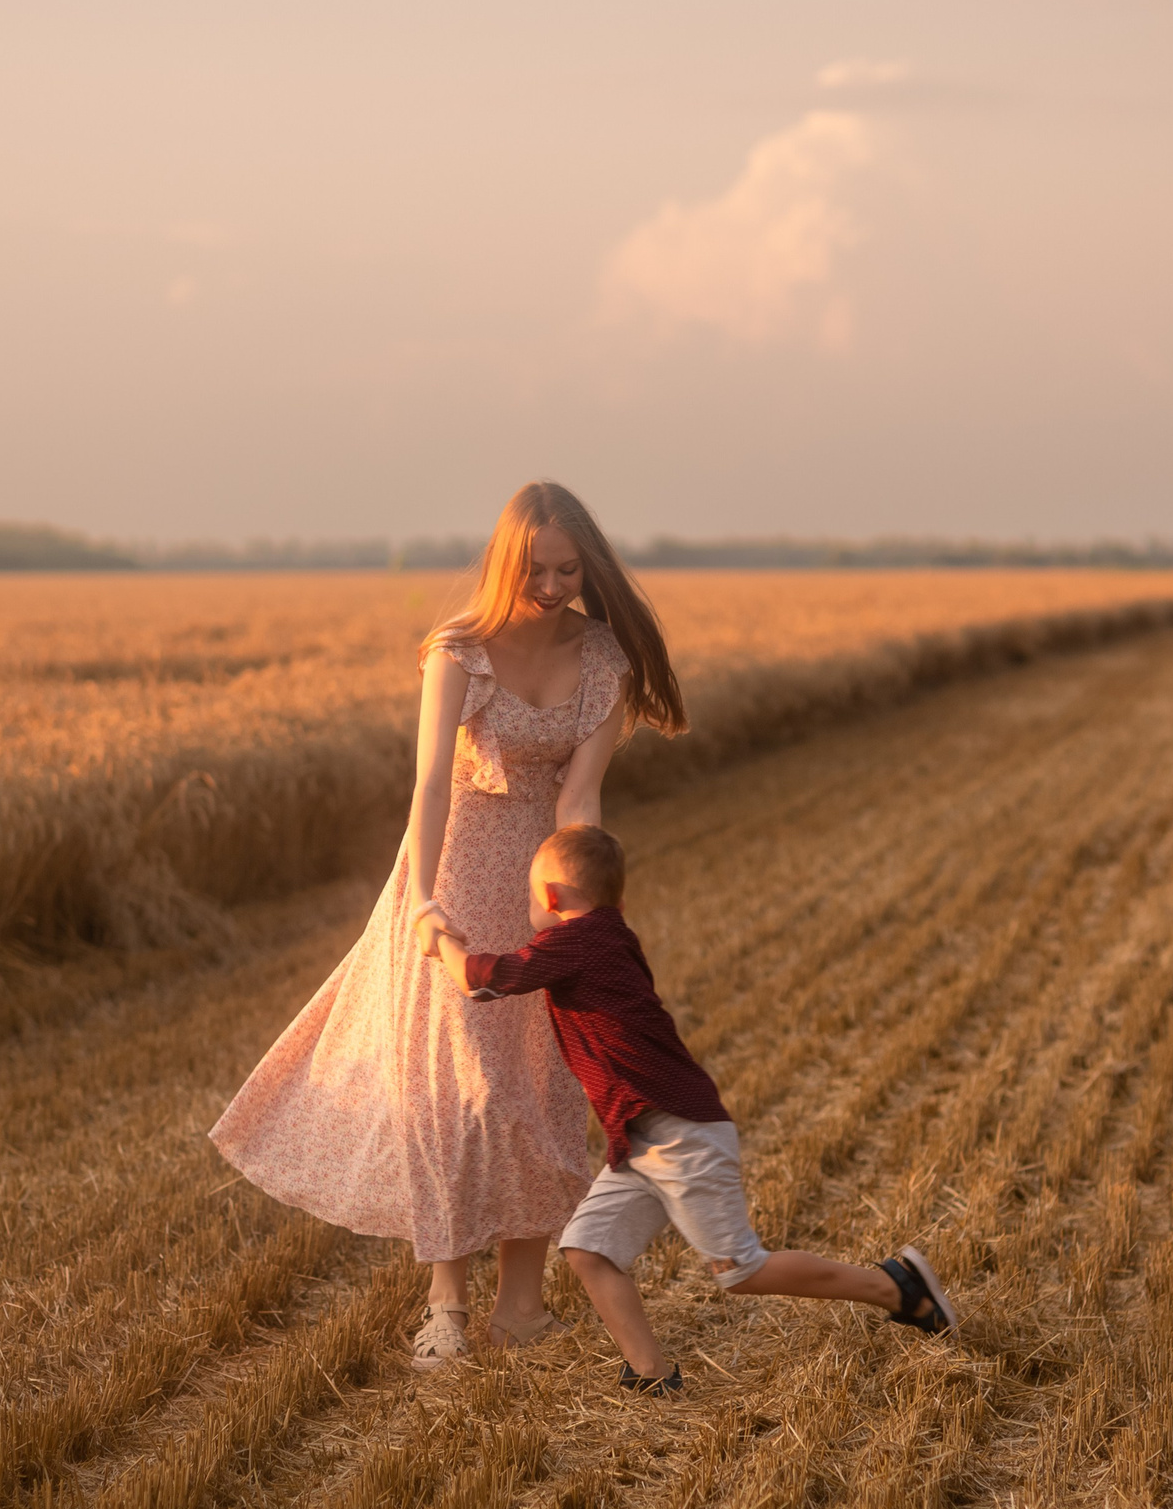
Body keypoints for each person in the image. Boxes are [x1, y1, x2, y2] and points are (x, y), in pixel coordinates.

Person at [211, 483, 687, 1367]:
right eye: (536, 568)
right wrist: (422, 897)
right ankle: (445, 1306)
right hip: (454, 875)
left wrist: (580, 913)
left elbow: (580, 795)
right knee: (455, 1093)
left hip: (541, 876)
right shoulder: (458, 652)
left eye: (568, 569)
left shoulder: (603, 659)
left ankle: (520, 1306)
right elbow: (430, 785)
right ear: (507, 560)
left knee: (536, 1091)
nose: (551, 585)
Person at [431, 823, 957, 1393]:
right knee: (588, 1249)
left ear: (553, 899)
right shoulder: (609, 933)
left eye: (531, 893)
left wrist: (437, 935)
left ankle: (896, 1286)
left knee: (742, 1271)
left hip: (677, 1132)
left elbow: (483, 981)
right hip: (641, 1138)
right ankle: (652, 1376)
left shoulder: (578, 941)